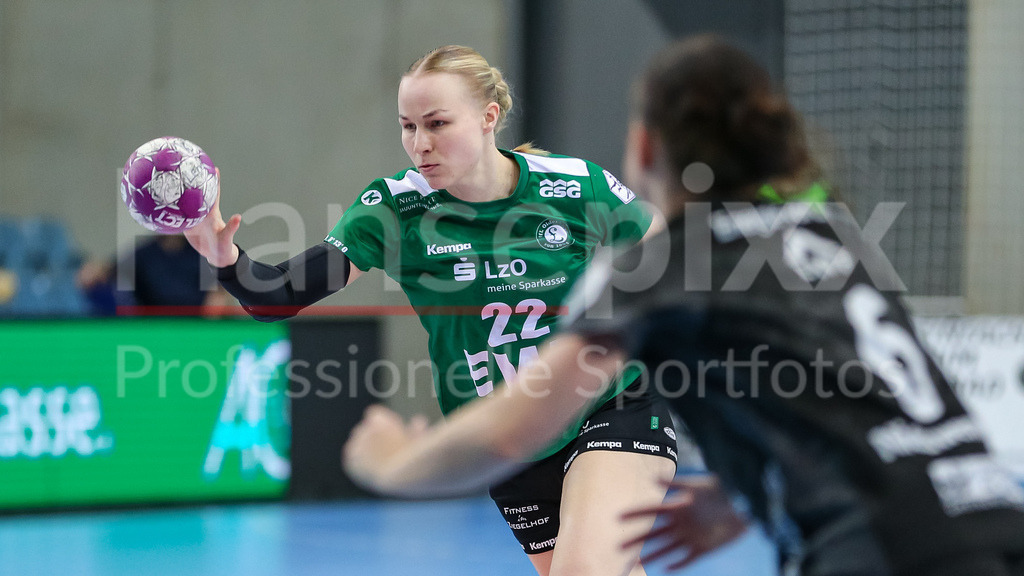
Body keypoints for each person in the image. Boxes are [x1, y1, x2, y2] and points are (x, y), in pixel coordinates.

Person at [341, 36, 1024, 576]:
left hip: (880, 545)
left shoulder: (657, 269)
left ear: (645, 146)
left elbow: (507, 435)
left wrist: (390, 463)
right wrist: (740, 492)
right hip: (992, 514)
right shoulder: (824, 233)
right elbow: (857, 404)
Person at [185, 45, 678, 576]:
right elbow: (277, 295)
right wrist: (223, 257)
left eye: (437, 123)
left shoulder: (573, 185)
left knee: (585, 571)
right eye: (408, 126)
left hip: (609, 406)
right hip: (502, 437)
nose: (420, 144)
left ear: (489, 117)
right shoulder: (395, 208)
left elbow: (674, 255)